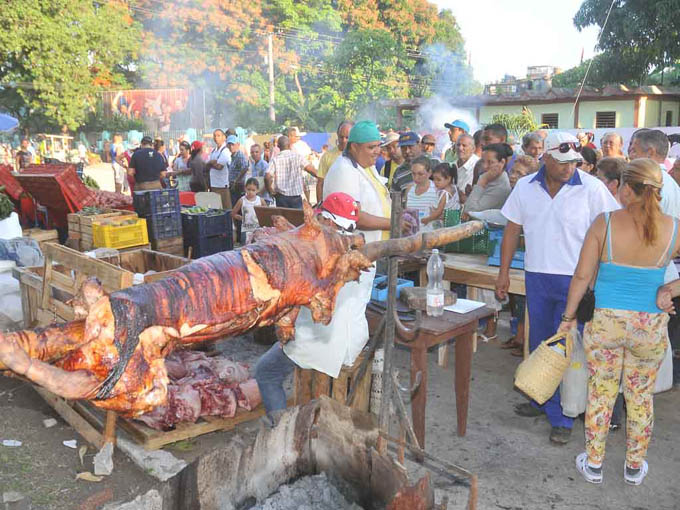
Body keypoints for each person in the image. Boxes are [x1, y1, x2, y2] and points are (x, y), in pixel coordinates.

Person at [558, 159, 678, 485]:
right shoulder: (674, 227)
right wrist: (670, 288)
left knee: (601, 393)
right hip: (649, 326)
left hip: (606, 322)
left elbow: (582, 276)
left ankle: (594, 464)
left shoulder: (605, 223)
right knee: (640, 396)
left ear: (626, 187)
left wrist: (568, 318)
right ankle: (634, 467)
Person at [495, 131, 618, 445]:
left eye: (573, 162)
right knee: (540, 344)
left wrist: (597, 280)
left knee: (568, 348)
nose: (568, 168)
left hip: (576, 280)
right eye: (561, 162)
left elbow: (610, 234)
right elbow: (512, 231)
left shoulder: (593, 189)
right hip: (537, 276)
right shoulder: (525, 187)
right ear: (544, 158)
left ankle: (563, 416)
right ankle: (543, 398)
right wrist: (504, 273)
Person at [254, 186, 386, 425]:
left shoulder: (321, 256)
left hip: (322, 342)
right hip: (354, 337)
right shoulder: (364, 251)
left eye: (320, 218)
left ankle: (280, 428)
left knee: (265, 372)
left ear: (328, 220)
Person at [265, 135, 317, 209]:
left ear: (278, 146)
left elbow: (267, 177)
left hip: (281, 198)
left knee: (283, 219)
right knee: (296, 219)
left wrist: (270, 191)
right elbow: (312, 171)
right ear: (290, 145)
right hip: (295, 198)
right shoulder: (298, 157)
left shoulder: (275, 160)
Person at [462, 143, 512, 216]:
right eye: (483, 161)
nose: (485, 166)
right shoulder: (488, 176)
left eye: (490, 162)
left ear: (502, 162)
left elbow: (469, 211)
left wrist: (482, 181)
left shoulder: (501, 187)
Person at [316, 120, 354, 202]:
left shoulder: (358, 157)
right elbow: (320, 183)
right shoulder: (327, 156)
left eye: (347, 137)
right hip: (332, 205)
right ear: (337, 135)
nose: (344, 140)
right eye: (341, 137)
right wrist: (319, 206)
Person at [405, 156, 440, 232]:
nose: (416, 177)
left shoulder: (437, 190)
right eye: (413, 174)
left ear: (429, 173)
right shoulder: (409, 189)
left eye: (420, 174)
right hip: (411, 235)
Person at [232, 177, 264, 244]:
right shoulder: (242, 200)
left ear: (257, 190)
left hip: (258, 229)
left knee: (257, 248)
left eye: (253, 190)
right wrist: (240, 218)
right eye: (248, 189)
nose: (250, 192)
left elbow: (267, 212)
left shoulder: (260, 200)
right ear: (245, 188)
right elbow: (233, 213)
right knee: (245, 250)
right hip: (245, 230)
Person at [428, 163, 460, 228]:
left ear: (448, 179)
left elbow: (438, 212)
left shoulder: (444, 193)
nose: (435, 182)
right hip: (454, 221)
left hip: (445, 225)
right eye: (434, 179)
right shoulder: (453, 187)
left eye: (438, 180)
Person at [206, 129, 232, 209]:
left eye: (218, 135)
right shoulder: (214, 151)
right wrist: (212, 162)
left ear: (224, 137)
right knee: (216, 209)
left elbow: (219, 167)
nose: (216, 138)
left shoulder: (225, 151)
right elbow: (207, 165)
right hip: (213, 184)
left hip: (222, 186)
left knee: (226, 209)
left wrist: (211, 163)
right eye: (214, 136)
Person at [454, 133, 479, 197]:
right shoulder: (452, 165)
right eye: (458, 145)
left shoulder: (477, 166)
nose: (460, 148)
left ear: (473, 149)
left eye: (464, 145)